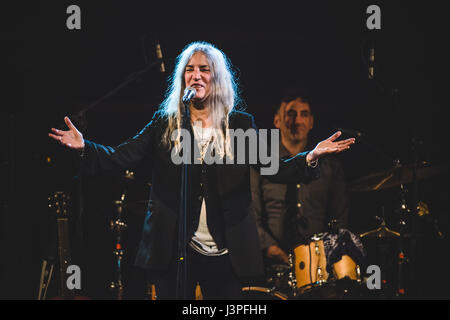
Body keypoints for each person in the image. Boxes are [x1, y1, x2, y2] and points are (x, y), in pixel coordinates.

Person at [48, 42, 355, 300]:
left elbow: (275, 168)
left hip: (227, 251)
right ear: (182, 79)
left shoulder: (239, 125)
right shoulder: (166, 123)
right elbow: (121, 156)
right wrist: (86, 146)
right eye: (190, 70)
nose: (196, 75)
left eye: (204, 69)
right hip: (174, 248)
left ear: (217, 78)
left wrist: (312, 155)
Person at [251, 85, 364, 290]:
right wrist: (272, 249)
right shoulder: (261, 162)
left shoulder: (329, 166)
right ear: (277, 120)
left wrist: (324, 253)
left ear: (311, 122)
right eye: (291, 114)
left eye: (304, 114)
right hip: (270, 266)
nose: (297, 120)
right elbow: (252, 215)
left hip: (319, 268)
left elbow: (340, 218)